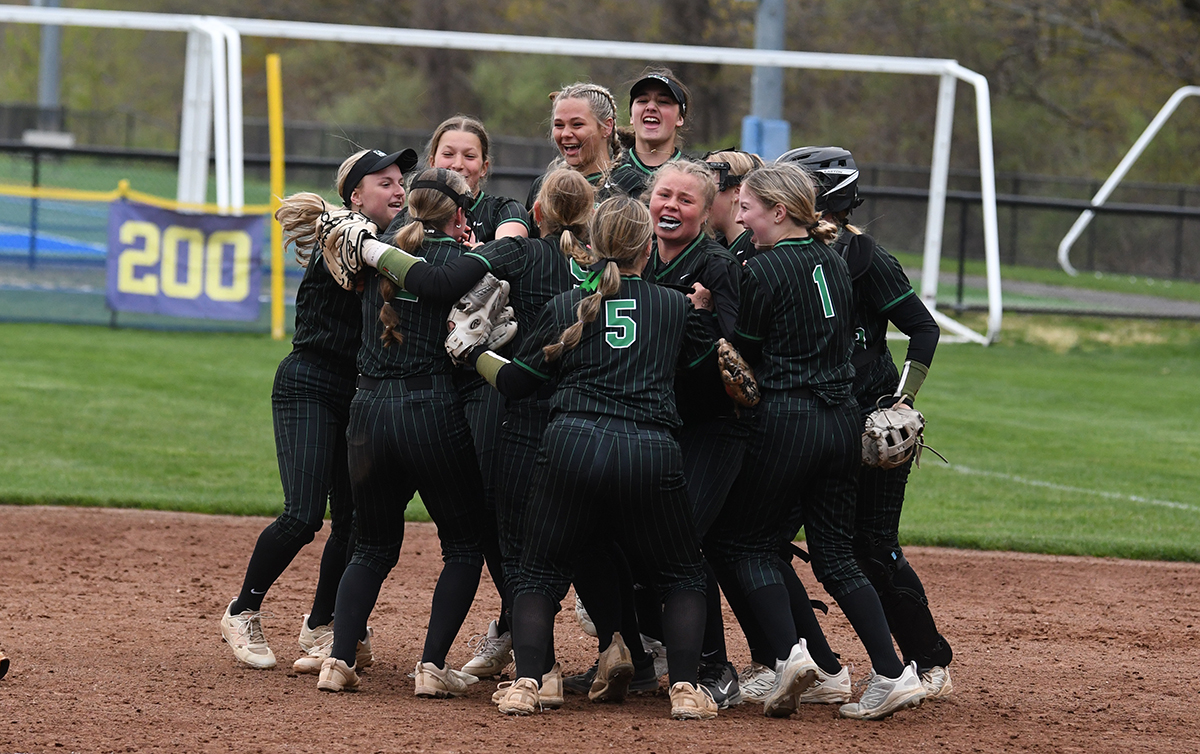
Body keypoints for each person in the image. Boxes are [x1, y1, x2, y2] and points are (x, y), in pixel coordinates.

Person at [469, 195, 720, 720]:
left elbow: (516, 384)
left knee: (536, 574)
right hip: (649, 449)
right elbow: (703, 367)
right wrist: (698, 312)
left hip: (572, 443)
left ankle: (527, 684)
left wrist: (479, 355)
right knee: (682, 576)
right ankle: (687, 691)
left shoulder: (566, 306)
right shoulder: (673, 306)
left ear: (590, 248)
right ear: (647, 249)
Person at [705, 163, 928, 720]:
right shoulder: (834, 258)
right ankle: (892, 672)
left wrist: (708, 315)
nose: (741, 216)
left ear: (779, 211)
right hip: (842, 423)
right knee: (835, 556)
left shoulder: (760, 269)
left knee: (743, 543)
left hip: (787, 420)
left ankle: (793, 657)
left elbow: (745, 351)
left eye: (749, 207)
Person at [218, 147, 415, 671]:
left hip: (358, 394)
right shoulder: (345, 233)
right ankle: (242, 610)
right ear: (355, 195)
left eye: (401, 180)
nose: (398, 189)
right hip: (309, 382)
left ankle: (322, 623)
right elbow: (353, 245)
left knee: (351, 519)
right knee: (304, 515)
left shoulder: (394, 243)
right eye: (384, 181)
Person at [297, 167, 490, 699]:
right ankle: (431, 667)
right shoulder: (460, 259)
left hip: (368, 411)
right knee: (465, 544)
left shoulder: (373, 248)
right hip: (430, 408)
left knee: (371, 546)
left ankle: (337, 659)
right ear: (456, 214)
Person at [779, 145, 952, 699]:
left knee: (872, 548)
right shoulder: (785, 254)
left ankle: (929, 661)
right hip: (813, 421)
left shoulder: (866, 258)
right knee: (772, 540)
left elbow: (922, 329)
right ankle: (813, 664)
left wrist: (900, 400)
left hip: (869, 423)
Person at [384, 116, 532, 677]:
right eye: (449, 153)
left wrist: (478, 251)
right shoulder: (406, 220)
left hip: (478, 387)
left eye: (471, 156)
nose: (459, 164)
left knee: (489, 510)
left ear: (485, 167)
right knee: (374, 517)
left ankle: (517, 625)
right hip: (416, 392)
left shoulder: (502, 211)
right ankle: (336, 632)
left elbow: (514, 242)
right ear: (432, 159)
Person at [526, 82, 621, 210]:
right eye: (559, 125)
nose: (565, 134)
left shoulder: (627, 185)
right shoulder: (543, 187)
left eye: (577, 124)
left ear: (606, 127)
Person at [604, 67, 690, 200]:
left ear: (680, 118)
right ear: (632, 116)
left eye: (663, 102)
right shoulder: (608, 171)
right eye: (642, 101)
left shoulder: (693, 175)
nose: (650, 107)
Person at [702, 148, 764, 263]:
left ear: (738, 191)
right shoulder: (718, 246)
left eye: (708, 186)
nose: (702, 196)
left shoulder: (756, 248)